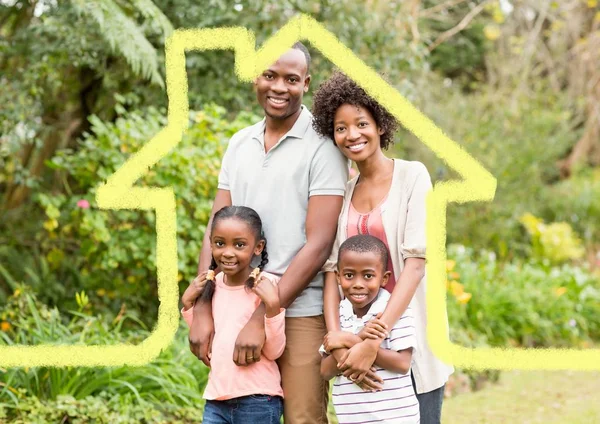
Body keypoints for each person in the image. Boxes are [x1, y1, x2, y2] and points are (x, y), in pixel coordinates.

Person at [185, 42, 349, 423]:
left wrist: (263, 316)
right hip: (236, 308)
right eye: (269, 75)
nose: (279, 87)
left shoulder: (324, 146)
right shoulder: (239, 143)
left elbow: (320, 241)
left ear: (306, 84)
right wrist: (205, 306)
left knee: (301, 418)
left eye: (291, 79)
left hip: (299, 309)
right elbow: (217, 228)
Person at [312, 71, 454, 424]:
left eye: (361, 123)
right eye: (341, 127)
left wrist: (374, 340)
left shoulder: (413, 176)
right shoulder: (343, 191)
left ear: (380, 124)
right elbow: (332, 270)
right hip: (352, 336)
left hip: (408, 335)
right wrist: (339, 340)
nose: (352, 135)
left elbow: (416, 263)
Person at [181, 205, 285, 424]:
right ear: (210, 244)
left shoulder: (265, 286)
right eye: (220, 243)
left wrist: (273, 306)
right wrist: (188, 304)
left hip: (257, 399)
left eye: (239, 245)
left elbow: (274, 351)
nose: (228, 252)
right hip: (216, 399)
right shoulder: (210, 285)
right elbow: (206, 343)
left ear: (258, 247)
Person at [321, 234, 420, 424]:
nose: (358, 284)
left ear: (384, 278)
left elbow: (402, 363)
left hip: (396, 418)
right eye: (349, 275)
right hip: (353, 418)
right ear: (338, 277)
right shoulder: (339, 314)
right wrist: (358, 338)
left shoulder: (393, 311)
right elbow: (325, 371)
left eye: (368, 276)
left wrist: (351, 341)